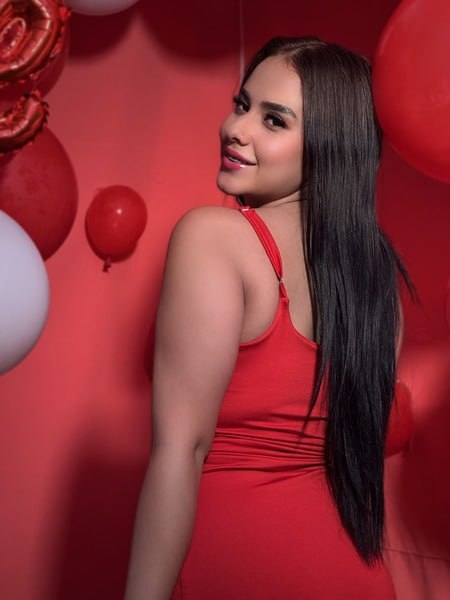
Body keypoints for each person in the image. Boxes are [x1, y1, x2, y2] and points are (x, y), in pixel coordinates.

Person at [124, 36, 416, 599]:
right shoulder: (380, 279)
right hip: (354, 575)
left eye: (274, 120)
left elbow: (181, 450)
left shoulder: (213, 237)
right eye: (241, 105)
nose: (236, 128)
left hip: (242, 567)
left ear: (330, 147)